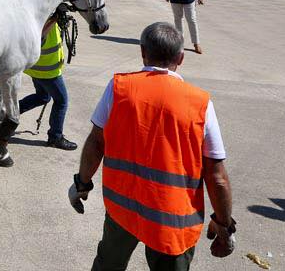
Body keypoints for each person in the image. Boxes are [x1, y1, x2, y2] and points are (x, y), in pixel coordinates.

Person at [69, 22, 235, 270]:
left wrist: (81, 183)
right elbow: (217, 176)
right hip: (173, 221)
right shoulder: (200, 104)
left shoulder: (119, 88)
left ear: (142, 52)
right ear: (180, 58)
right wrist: (223, 224)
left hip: (123, 210)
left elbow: (96, 142)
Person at [16, 11, 77, 150]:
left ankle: (10, 112)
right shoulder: (46, 14)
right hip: (47, 70)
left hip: (37, 67)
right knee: (61, 101)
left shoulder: (40, 9)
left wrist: (60, 22)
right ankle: (55, 137)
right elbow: (40, 36)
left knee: (43, 97)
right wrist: (55, 18)